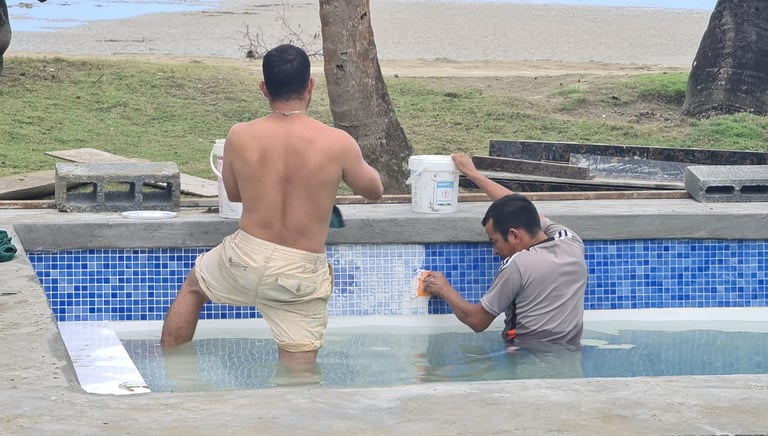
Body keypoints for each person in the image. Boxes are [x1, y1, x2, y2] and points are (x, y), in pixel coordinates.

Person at [160, 44, 384, 371]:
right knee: (298, 374)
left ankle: (170, 376)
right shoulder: (338, 142)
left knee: (195, 286)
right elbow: (374, 191)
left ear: (264, 88)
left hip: (244, 256)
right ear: (310, 86)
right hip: (299, 272)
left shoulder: (239, 136)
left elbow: (234, 194)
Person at [422, 153, 587, 347]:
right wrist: (473, 174)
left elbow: (476, 320)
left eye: (495, 241)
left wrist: (445, 290)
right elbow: (522, 209)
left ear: (514, 236)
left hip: (525, 357)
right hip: (570, 354)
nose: (494, 250)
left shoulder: (518, 265)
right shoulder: (571, 242)